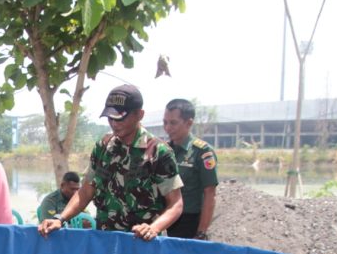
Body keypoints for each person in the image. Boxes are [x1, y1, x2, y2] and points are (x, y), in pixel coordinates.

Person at [38, 84, 183, 241]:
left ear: (139, 115)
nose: (114, 123)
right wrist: (60, 218)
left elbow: (176, 204)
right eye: (110, 117)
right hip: (106, 243)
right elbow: (86, 191)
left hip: (141, 244)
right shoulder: (104, 147)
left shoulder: (158, 152)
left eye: (120, 118)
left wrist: (153, 228)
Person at [163, 99, 218, 240]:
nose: (168, 128)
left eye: (173, 123)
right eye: (165, 122)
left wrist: (201, 232)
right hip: (168, 219)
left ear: (189, 123)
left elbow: (210, 194)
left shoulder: (202, 152)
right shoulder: (164, 151)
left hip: (191, 221)